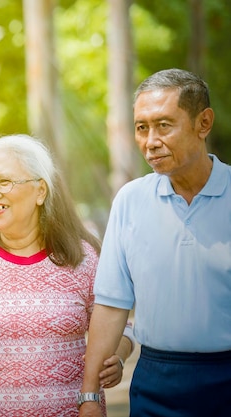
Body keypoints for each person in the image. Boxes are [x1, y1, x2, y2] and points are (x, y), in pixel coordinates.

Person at [0, 135, 135, 416]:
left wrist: (118, 358)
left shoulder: (82, 258)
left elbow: (121, 327)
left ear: (40, 191)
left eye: (4, 182)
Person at [79, 68, 231, 416]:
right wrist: (90, 396)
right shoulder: (130, 201)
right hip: (155, 382)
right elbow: (111, 304)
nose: (150, 141)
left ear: (203, 123)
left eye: (164, 125)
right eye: (141, 127)